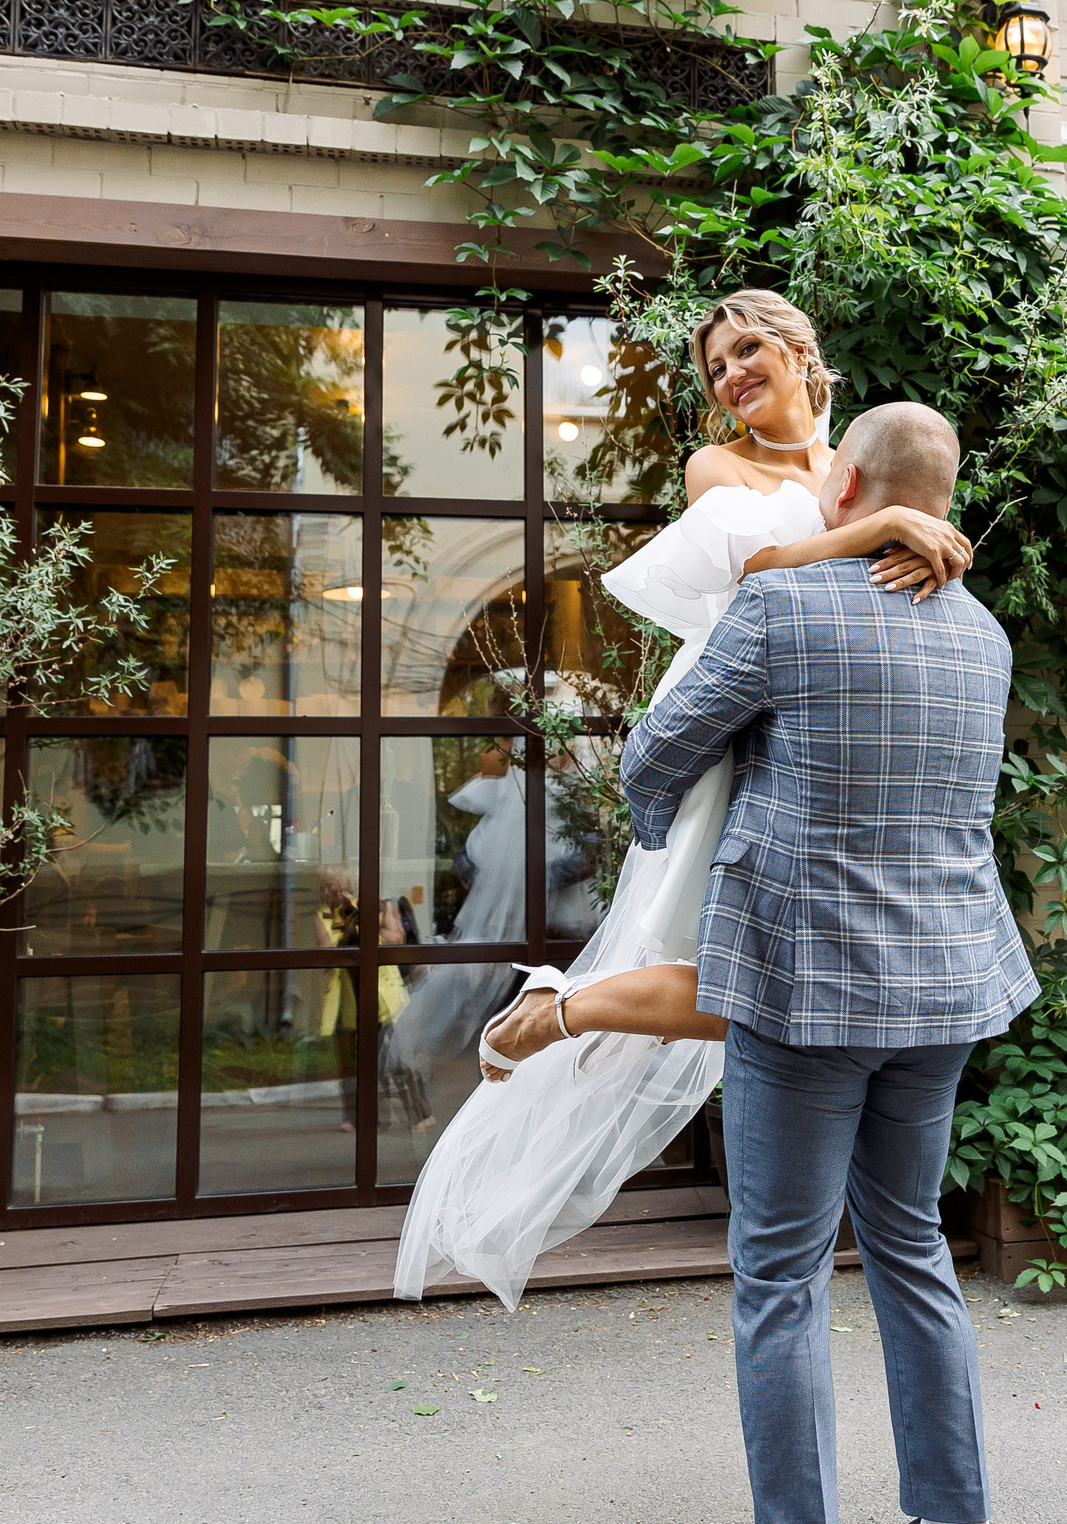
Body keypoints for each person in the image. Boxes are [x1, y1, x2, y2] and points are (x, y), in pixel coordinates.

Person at [393, 289, 1032, 1524]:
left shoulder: (786, 606)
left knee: (781, 1275)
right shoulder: (984, 631)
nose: (732, 372)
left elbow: (648, 759)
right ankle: (953, 1512)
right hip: (947, 977)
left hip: (804, 968)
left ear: (842, 472)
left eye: (750, 351)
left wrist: (678, 834)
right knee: (912, 1253)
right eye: (719, 360)